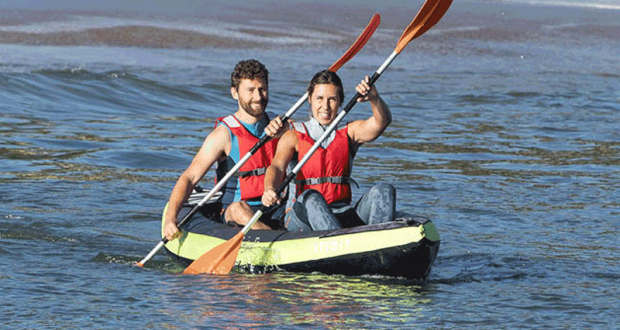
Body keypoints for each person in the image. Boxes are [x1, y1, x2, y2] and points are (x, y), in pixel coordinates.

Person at [163, 59, 286, 241]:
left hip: (276, 207)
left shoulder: (281, 124)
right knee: (238, 209)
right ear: (235, 93)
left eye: (262, 89)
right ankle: (277, 240)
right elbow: (189, 177)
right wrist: (170, 219)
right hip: (237, 212)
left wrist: (287, 132)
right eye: (250, 90)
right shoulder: (223, 135)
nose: (258, 97)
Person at [261, 70, 395, 231]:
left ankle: (379, 245)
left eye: (332, 99)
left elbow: (382, 122)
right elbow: (277, 167)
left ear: (340, 102)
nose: (325, 106)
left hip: (342, 212)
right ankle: (341, 248)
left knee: (384, 190)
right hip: (301, 216)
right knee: (312, 197)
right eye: (319, 98)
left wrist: (375, 99)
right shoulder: (293, 135)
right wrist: (269, 188)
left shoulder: (350, 132)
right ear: (309, 99)